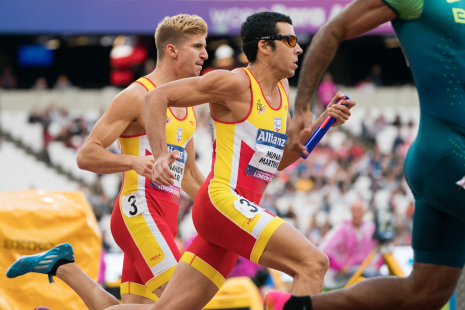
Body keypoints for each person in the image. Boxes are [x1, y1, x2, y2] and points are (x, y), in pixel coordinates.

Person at [107, 12, 354, 310]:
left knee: (167, 309)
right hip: (221, 200)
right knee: (313, 263)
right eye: (290, 41)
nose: (298, 48)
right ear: (265, 46)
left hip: (228, 211)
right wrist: (160, 155)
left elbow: (277, 162)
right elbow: (154, 99)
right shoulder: (235, 83)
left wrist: (322, 126)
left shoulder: (283, 91)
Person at [267, 0, 465, 309]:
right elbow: (334, 29)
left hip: (441, 160)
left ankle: (293, 307)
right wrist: (303, 106)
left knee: (426, 293)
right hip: (450, 156)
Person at [6, 14, 208, 309]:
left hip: (165, 215)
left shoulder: (186, 103)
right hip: (139, 210)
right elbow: (86, 154)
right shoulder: (137, 95)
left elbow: (189, 173)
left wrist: (222, 209)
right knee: (182, 303)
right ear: (171, 50)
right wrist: (134, 162)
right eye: (197, 46)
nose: (205, 54)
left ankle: (64, 267)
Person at [319, 201, 381, 289]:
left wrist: (377, 264)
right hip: (347, 273)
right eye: (353, 210)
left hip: (367, 269)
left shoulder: (370, 228)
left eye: (358, 210)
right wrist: (340, 267)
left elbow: (382, 248)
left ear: (364, 212)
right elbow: (325, 250)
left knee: (373, 275)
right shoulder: (342, 229)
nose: (355, 214)